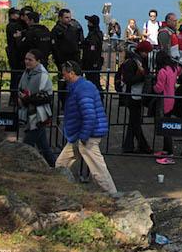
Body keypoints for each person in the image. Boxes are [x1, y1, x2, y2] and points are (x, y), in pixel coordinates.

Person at [55, 61, 117, 195]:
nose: (63, 76)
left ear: (71, 73)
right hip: (81, 135)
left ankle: (114, 196)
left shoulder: (81, 89)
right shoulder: (82, 87)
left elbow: (89, 115)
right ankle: (61, 192)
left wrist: (83, 136)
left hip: (85, 136)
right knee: (61, 165)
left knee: (98, 171)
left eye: (64, 73)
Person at [17, 49, 55, 166]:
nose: (27, 62)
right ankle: (54, 167)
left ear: (38, 61)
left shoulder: (42, 75)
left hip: (38, 116)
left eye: (30, 60)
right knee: (44, 147)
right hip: (29, 113)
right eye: (26, 59)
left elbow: (47, 96)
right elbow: (21, 88)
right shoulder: (27, 72)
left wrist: (26, 99)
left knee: (27, 145)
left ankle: (23, 167)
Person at [121, 41, 153, 154]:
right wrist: (143, 77)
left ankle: (128, 145)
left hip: (135, 94)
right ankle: (143, 146)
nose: (147, 54)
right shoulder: (133, 62)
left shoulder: (137, 61)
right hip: (133, 95)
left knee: (133, 122)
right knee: (135, 122)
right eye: (146, 52)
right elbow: (128, 79)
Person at [153, 51, 182, 163]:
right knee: (167, 125)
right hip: (172, 98)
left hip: (164, 100)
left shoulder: (162, 71)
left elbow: (159, 88)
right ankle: (166, 150)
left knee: (165, 127)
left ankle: (169, 153)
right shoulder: (173, 69)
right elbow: (180, 70)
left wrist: (153, 87)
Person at [51, 9, 82, 91]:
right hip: (63, 62)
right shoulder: (56, 31)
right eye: (66, 17)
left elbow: (77, 43)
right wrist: (60, 62)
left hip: (74, 60)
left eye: (70, 17)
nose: (69, 19)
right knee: (63, 84)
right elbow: (55, 48)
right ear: (60, 18)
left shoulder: (73, 29)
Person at [5, 8, 26, 96]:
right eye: (17, 14)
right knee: (15, 77)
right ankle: (14, 96)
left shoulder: (16, 25)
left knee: (17, 76)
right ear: (12, 15)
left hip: (16, 54)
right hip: (15, 55)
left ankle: (15, 96)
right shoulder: (12, 26)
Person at [82, 15, 104, 91]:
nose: (87, 24)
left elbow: (92, 50)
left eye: (89, 22)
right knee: (94, 81)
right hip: (94, 63)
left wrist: (87, 62)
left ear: (91, 24)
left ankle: (98, 98)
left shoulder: (94, 35)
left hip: (92, 63)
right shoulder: (96, 33)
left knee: (94, 82)